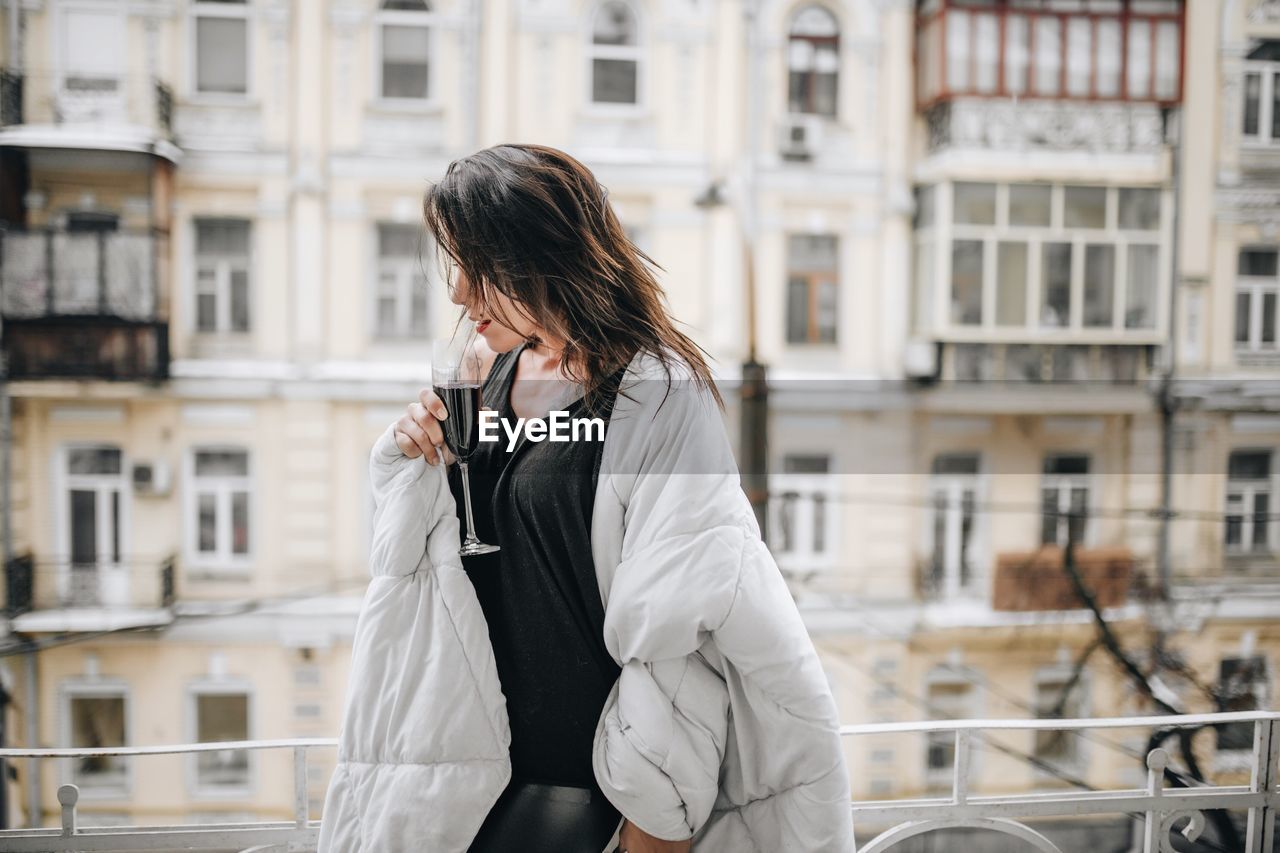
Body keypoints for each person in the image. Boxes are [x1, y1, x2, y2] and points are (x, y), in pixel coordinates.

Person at [319, 144, 853, 853]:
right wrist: (416, 448)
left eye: (477, 268)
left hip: (589, 783)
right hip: (476, 763)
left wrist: (652, 832)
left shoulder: (656, 395)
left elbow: (676, 639)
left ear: (540, 260)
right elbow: (430, 559)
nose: (458, 294)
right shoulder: (487, 368)